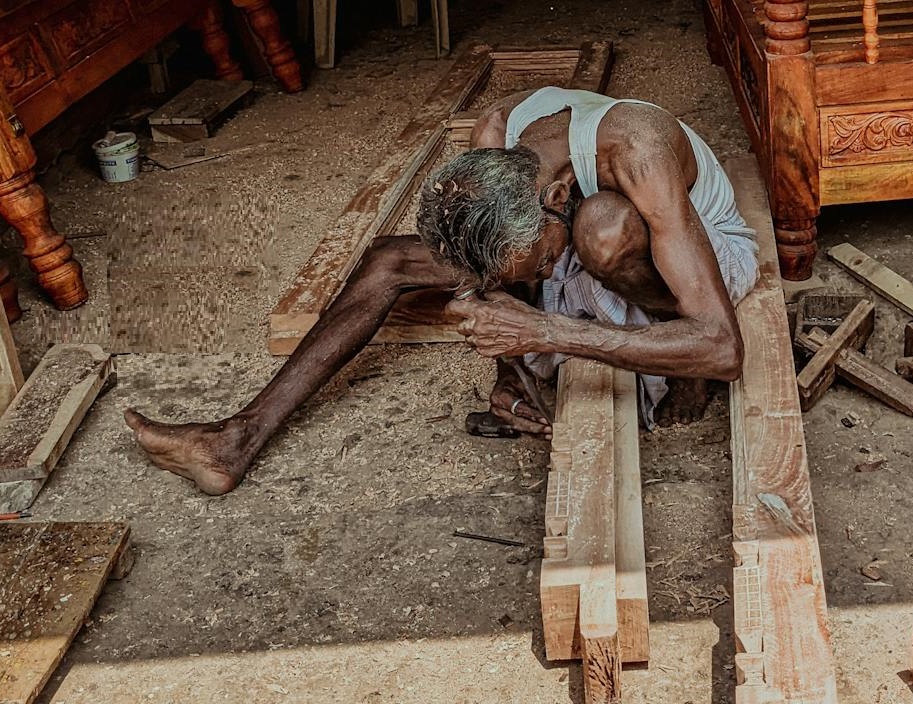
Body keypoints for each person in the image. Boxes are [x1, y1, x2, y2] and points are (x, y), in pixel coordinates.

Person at [125, 86, 759, 496]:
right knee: (388, 261)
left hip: (698, 262)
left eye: (536, 269)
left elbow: (725, 345)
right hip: (565, 239)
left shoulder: (636, 148)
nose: (535, 282)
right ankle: (234, 438)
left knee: (603, 231)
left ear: (555, 197)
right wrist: (514, 367)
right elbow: (490, 268)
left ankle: (682, 383)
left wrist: (546, 331)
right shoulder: (498, 133)